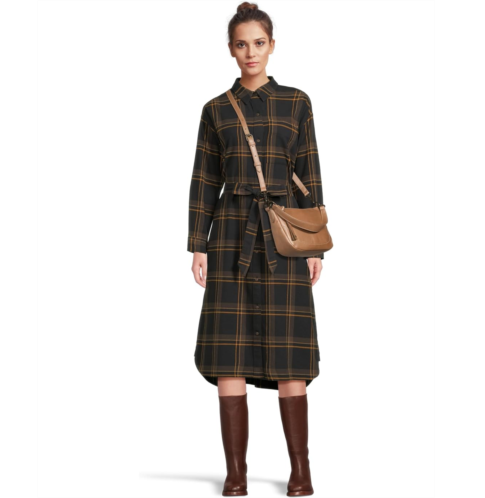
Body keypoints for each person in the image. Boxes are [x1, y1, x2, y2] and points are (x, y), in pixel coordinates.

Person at [187, 3, 326, 496]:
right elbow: (205, 180)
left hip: (284, 235)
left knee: (291, 354)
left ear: (272, 45)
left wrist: (315, 245)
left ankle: (300, 471)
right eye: (242, 44)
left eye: (259, 43)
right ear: (231, 49)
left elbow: (309, 173)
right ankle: (236, 473)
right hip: (230, 234)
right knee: (230, 352)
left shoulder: (297, 102)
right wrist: (197, 245)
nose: (251, 52)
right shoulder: (216, 109)